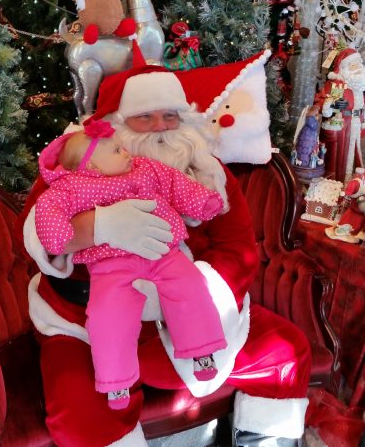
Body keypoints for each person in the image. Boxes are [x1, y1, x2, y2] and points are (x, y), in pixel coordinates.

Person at [16, 56, 311, 447]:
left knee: (286, 351)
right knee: (80, 411)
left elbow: (237, 248)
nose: (160, 127)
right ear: (117, 127)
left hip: (192, 311)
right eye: (144, 117)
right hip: (86, 326)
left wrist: (182, 291)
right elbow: (38, 233)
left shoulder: (209, 173)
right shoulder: (78, 170)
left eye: (170, 116)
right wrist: (97, 227)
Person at [35, 119, 227, 410]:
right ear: (94, 168)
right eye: (116, 150)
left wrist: (202, 202)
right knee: (106, 313)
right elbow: (49, 211)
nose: (125, 152)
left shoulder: (145, 168)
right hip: (110, 262)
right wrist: (59, 238)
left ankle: (202, 350)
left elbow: (175, 184)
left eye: (122, 147)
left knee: (191, 285)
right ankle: (116, 380)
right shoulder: (71, 186)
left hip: (161, 250)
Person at [315, 48, 365, 182]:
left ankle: (353, 183)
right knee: (339, 158)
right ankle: (337, 183)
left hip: (356, 125)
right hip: (342, 127)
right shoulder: (335, 84)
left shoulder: (361, 87)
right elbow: (320, 103)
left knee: (355, 155)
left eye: (359, 64)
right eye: (354, 65)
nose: (359, 68)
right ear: (344, 67)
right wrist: (333, 104)